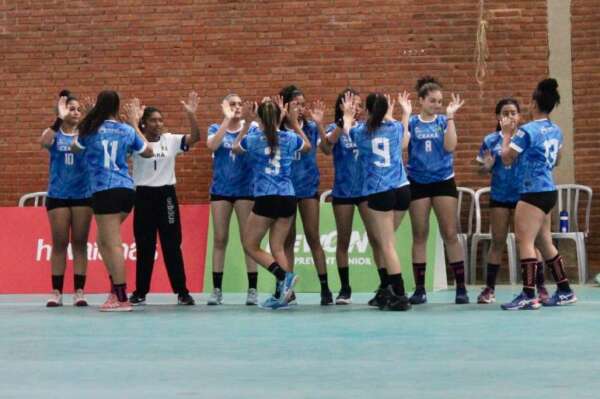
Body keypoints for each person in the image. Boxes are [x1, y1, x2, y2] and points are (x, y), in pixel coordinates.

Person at [500, 78, 577, 310]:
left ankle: (528, 294)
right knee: (544, 240)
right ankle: (565, 290)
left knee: (525, 240)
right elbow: (558, 160)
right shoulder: (556, 130)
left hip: (532, 191)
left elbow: (506, 157)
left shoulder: (527, 131)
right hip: (548, 190)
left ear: (534, 103)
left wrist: (506, 134)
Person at [73, 91, 153, 312]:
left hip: (104, 190)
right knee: (102, 241)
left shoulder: (89, 130)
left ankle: (121, 296)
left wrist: (87, 119)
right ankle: (114, 290)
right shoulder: (126, 130)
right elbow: (148, 151)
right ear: (117, 107)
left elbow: (74, 148)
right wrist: (135, 124)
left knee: (113, 244)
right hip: (126, 191)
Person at [233, 98, 311, 309]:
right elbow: (307, 147)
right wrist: (293, 123)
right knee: (277, 247)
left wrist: (248, 124)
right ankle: (287, 296)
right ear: (280, 116)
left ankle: (283, 277)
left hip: (266, 197)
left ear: (260, 118)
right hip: (288, 196)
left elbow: (235, 148)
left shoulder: (253, 139)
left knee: (250, 245)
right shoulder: (290, 137)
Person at [128, 92, 201, 306]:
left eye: (161, 120)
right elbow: (143, 149)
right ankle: (140, 292)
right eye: (153, 120)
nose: (159, 123)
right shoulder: (135, 141)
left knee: (172, 245)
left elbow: (195, 138)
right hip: (143, 196)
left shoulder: (171, 140)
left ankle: (182, 292)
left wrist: (191, 115)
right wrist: (133, 124)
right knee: (145, 246)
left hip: (166, 196)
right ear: (144, 123)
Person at [342, 91, 413, 311]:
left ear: (369, 111)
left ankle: (400, 295)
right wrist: (406, 112)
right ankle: (386, 290)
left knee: (386, 245)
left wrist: (347, 113)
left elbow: (346, 129)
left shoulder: (362, 132)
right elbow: (404, 140)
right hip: (402, 189)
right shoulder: (395, 128)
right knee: (385, 242)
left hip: (379, 191)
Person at [475, 98, 548, 304]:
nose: (510, 117)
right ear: (498, 118)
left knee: (528, 242)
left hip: (524, 196)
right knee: (497, 242)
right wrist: (486, 167)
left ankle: (540, 287)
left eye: (513, 113)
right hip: (500, 196)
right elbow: (480, 169)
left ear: (519, 116)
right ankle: (489, 289)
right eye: (505, 113)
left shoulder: (526, 136)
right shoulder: (490, 140)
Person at [406, 76, 469, 305]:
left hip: (443, 180)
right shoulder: (412, 123)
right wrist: (404, 117)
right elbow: (403, 146)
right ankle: (420, 289)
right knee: (420, 234)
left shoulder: (444, 121)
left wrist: (451, 116)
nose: (437, 105)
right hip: (418, 181)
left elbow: (450, 146)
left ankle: (460, 288)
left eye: (440, 101)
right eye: (432, 101)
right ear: (421, 100)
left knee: (450, 233)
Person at [280, 85, 333, 305]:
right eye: (296, 104)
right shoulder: (278, 129)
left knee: (313, 238)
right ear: (285, 105)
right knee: (287, 241)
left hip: (308, 189)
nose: (301, 108)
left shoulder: (310, 127)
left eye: (303, 104)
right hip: (286, 190)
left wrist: (320, 125)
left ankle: (325, 288)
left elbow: (327, 150)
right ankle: (287, 290)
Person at [40, 90, 92, 307]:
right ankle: (56, 291)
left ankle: (79, 291)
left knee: (79, 243)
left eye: (79, 109)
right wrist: (58, 120)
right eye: (72, 108)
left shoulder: (86, 135)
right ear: (62, 111)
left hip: (83, 195)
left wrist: (92, 119)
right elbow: (43, 142)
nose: (76, 112)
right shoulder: (54, 133)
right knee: (60, 243)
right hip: (58, 195)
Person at [206, 94, 258, 305]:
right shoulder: (215, 128)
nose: (237, 107)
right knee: (220, 238)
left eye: (239, 104)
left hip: (245, 190)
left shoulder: (252, 128)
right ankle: (217, 290)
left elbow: (246, 147)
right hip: (221, 190)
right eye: (232, 104)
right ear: (224, 107)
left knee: (248, 241)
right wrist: (227, 121)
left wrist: (244, 125)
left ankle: (252, 290)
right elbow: (212, 146)